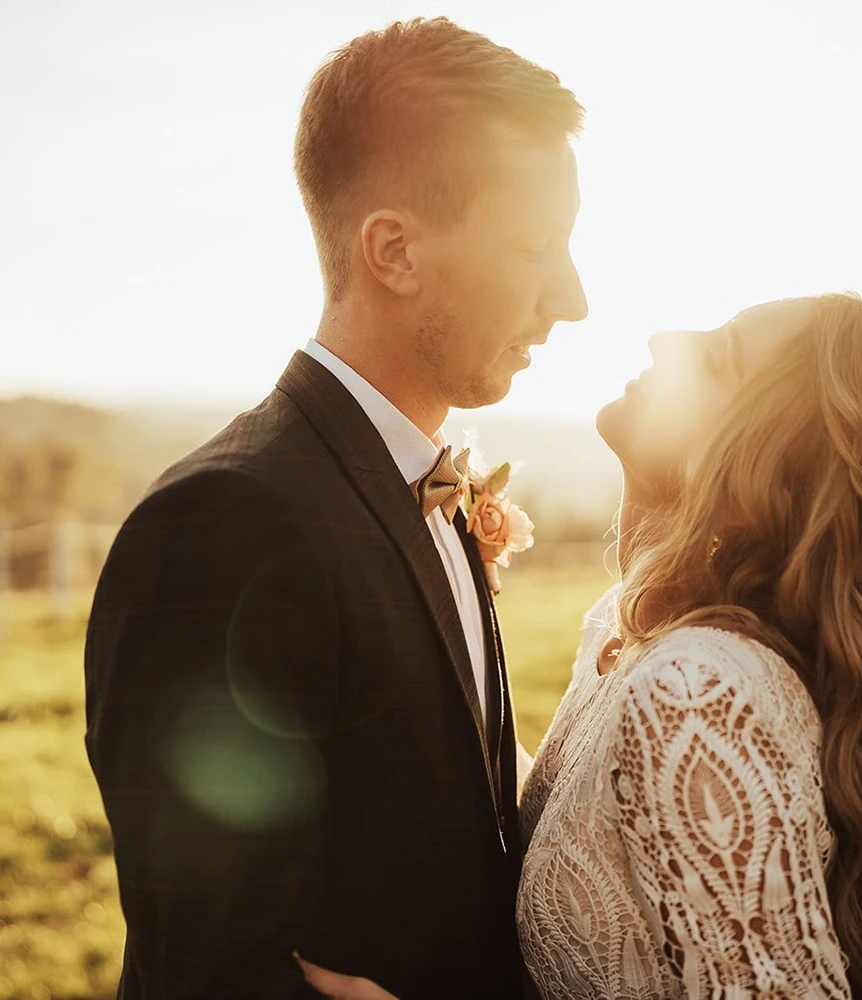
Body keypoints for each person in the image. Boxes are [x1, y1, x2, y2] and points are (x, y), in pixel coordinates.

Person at [84, 17, 587, 999]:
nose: (571, 299)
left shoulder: (431, 487)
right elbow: (213, 968)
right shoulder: (224, 523)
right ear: (393, 250)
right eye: (536, 246)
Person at [302, 295, 862, 1000]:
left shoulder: (702, 689)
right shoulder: (631, 629)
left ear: (764, 453)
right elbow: (578, 818)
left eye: (719, 355)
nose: (668, 338)